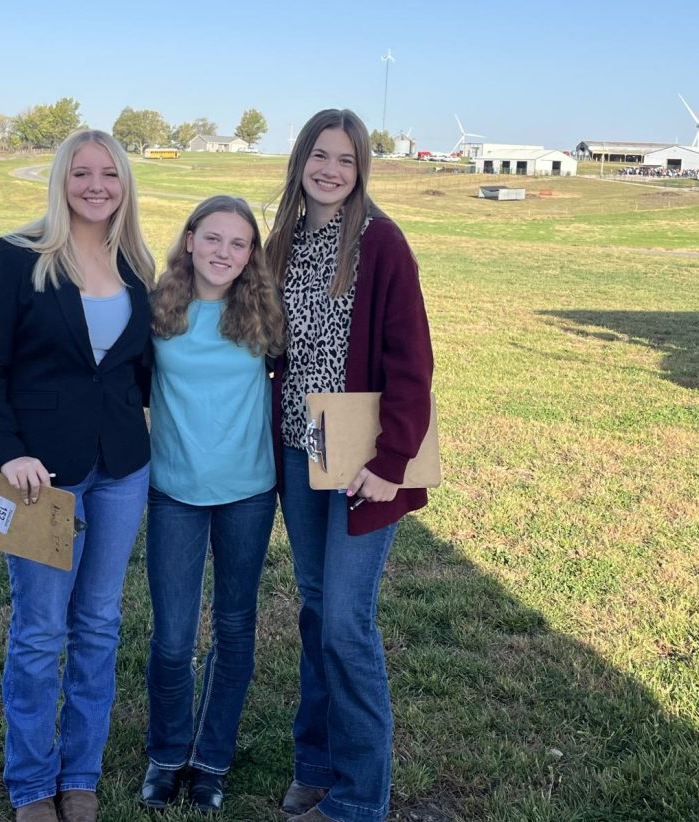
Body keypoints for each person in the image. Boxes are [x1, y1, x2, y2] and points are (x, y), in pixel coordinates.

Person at [0, 129, 155, 822]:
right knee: (42, 631)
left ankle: (80, 773)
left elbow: (140, 370)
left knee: (100, 624)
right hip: (39, 477)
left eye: (109, 173)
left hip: (122, 469)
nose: (97, 185)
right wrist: (7, 451)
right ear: (61, 179)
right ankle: (30, 784)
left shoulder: (135, 264)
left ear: (125, 182)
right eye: (82, 172)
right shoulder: (18, 257)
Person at [265, 109, 434, 822]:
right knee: (314, 611)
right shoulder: (283, 242)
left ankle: (362, 798)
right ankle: (317, 764)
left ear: (362, 168)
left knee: (346, 624)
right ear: (301, 161)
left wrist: (393, 461)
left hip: (365, 458)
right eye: (320, 156)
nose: (331, 170)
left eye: (345, 159)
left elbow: (412, 363)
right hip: (301, 449)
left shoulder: (381, 244)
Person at [139, 196, 285, 814]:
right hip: (174, 490)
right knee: (172, 639)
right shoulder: (156, 310)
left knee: (234, 629)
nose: (225, 253)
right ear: (191, 239)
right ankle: (167, 755)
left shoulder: (262, 313)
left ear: (251, 253)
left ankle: (211, 761)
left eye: (240, 243)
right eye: (214, 239)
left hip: (248, 492)